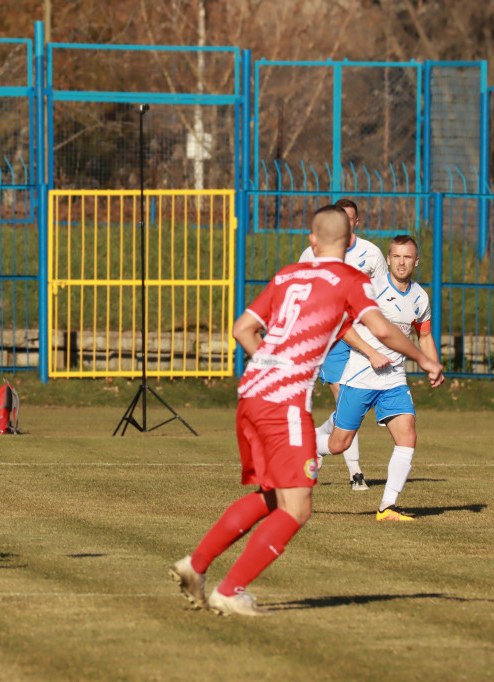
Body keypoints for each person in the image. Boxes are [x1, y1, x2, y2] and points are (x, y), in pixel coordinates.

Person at [169, 205, 443, 617]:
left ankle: (195, 566)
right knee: (297, 507)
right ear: (351, 242)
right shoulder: (351, 278)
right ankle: (229, 591)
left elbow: (242, 329)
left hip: (251, 394)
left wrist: (272, 366)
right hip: (284, 403)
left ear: (311, 241)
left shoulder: (286, 275)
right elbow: (384, 329)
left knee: (271, 496)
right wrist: (424, 360)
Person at [318, 235, 438, 521]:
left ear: (416, 262)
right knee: (338, 445)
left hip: (394, 378)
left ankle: (387, 507)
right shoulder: (370, 290)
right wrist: (371, 352)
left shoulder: (420, 298)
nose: (401, 262)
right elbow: (343, 327)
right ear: (388, 259)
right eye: (396, 256)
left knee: (407, 434)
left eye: (407, 257)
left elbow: (424, 335)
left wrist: (433, 364)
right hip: (360, 373)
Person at [299, 198, 387, 490]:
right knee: (347, 402)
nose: (345, 223)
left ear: (357, 222)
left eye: (350, 218)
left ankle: (315, 440)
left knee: (352, 407)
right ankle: (356, 473)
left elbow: (382, 297)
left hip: (364, 337)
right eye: (340, 218)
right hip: (334, 338)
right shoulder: (313, 253)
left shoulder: (371, 254)